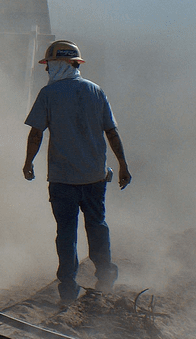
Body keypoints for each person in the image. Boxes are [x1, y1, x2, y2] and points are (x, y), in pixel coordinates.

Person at [22, 39, 131, 303]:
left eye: (49, 65)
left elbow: (36, 133)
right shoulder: (96, 90)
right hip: (94, 176)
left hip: (63, 179)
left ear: (59, 64)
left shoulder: (48, 95)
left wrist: (28, 163)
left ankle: (68, 287)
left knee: (66, 232)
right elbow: (111, 132)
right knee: (97, 225)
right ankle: (105, 275)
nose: (47, 70)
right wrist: (123, 165)